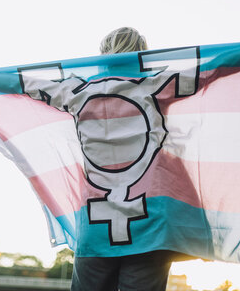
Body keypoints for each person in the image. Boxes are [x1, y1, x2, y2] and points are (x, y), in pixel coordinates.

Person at [70, 27, 175, 291]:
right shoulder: (158, 87)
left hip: (96, 223)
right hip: (148, 222)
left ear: (103, 54)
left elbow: (23, 87)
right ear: (143, 55)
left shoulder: (78, 93)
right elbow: (213, 73)